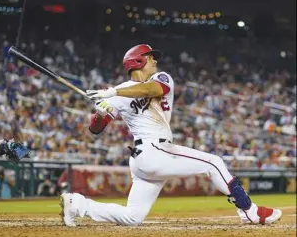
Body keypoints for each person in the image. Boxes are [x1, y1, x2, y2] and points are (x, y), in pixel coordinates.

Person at [59, 44, 282, 227]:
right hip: (152, 152)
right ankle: (250, 211)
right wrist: (100, 113)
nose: (155, 61)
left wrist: (113, 92)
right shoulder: (117, 94)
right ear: (138, 61)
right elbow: (95, 129)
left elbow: (151, 91)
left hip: (152, 156)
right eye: (150, 57)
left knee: (132, 217)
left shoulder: (160, 79)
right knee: (214, 163)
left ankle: (78, 204)